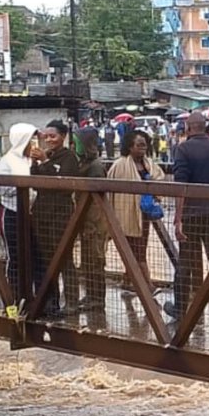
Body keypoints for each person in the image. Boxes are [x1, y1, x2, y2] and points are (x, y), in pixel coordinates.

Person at [165, 112, 209, 332]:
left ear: (188, 128)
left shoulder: (183, 149)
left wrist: (177, 219)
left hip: (192, 215)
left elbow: (180, 186)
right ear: (205, 127)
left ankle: (181, 310)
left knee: (185, 263)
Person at [30, 120, 80, 317]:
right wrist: (35, 162)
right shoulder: (47, 155)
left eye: (53, 136)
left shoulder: (69, 157)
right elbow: (35, 182)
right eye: (46, 136)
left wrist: (44, 161)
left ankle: (72, 301)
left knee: (64, 258)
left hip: (61, 213)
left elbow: (62, 182)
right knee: (48, 258)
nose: (49, 140)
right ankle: (52, 300)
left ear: (63, 137)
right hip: (42, 212)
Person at [108, 130, 161, 299]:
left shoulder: (150, 164)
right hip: (125, 214)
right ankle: (148, 286)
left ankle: (126, 281)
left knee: (137, 249)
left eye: (144, 145)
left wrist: (153, 186)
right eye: (139, 145)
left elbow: (160, 179)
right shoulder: (119, 165)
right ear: (129, 147)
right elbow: (109, 190)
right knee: (135, 251)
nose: (142, 149)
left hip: (144, 214)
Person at [0, 123, 39, 303]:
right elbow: (1, 188)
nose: (34, 145)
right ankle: (13, 295)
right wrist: (21, 186)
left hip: (31, 214)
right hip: (12, 212)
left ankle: (31, 296)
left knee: (33, 254)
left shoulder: (29, 160)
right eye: (30, 141)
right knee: (15, 256)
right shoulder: (6, 162)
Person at [74, 126, 110, 312]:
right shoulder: (84, 162)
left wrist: (91, 224)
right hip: (85, 220)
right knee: (86, 259)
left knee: (96, 260)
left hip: (94, 221)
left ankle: (98, 298)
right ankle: (90, 294)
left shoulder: (96, 166)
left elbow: (97, 200)